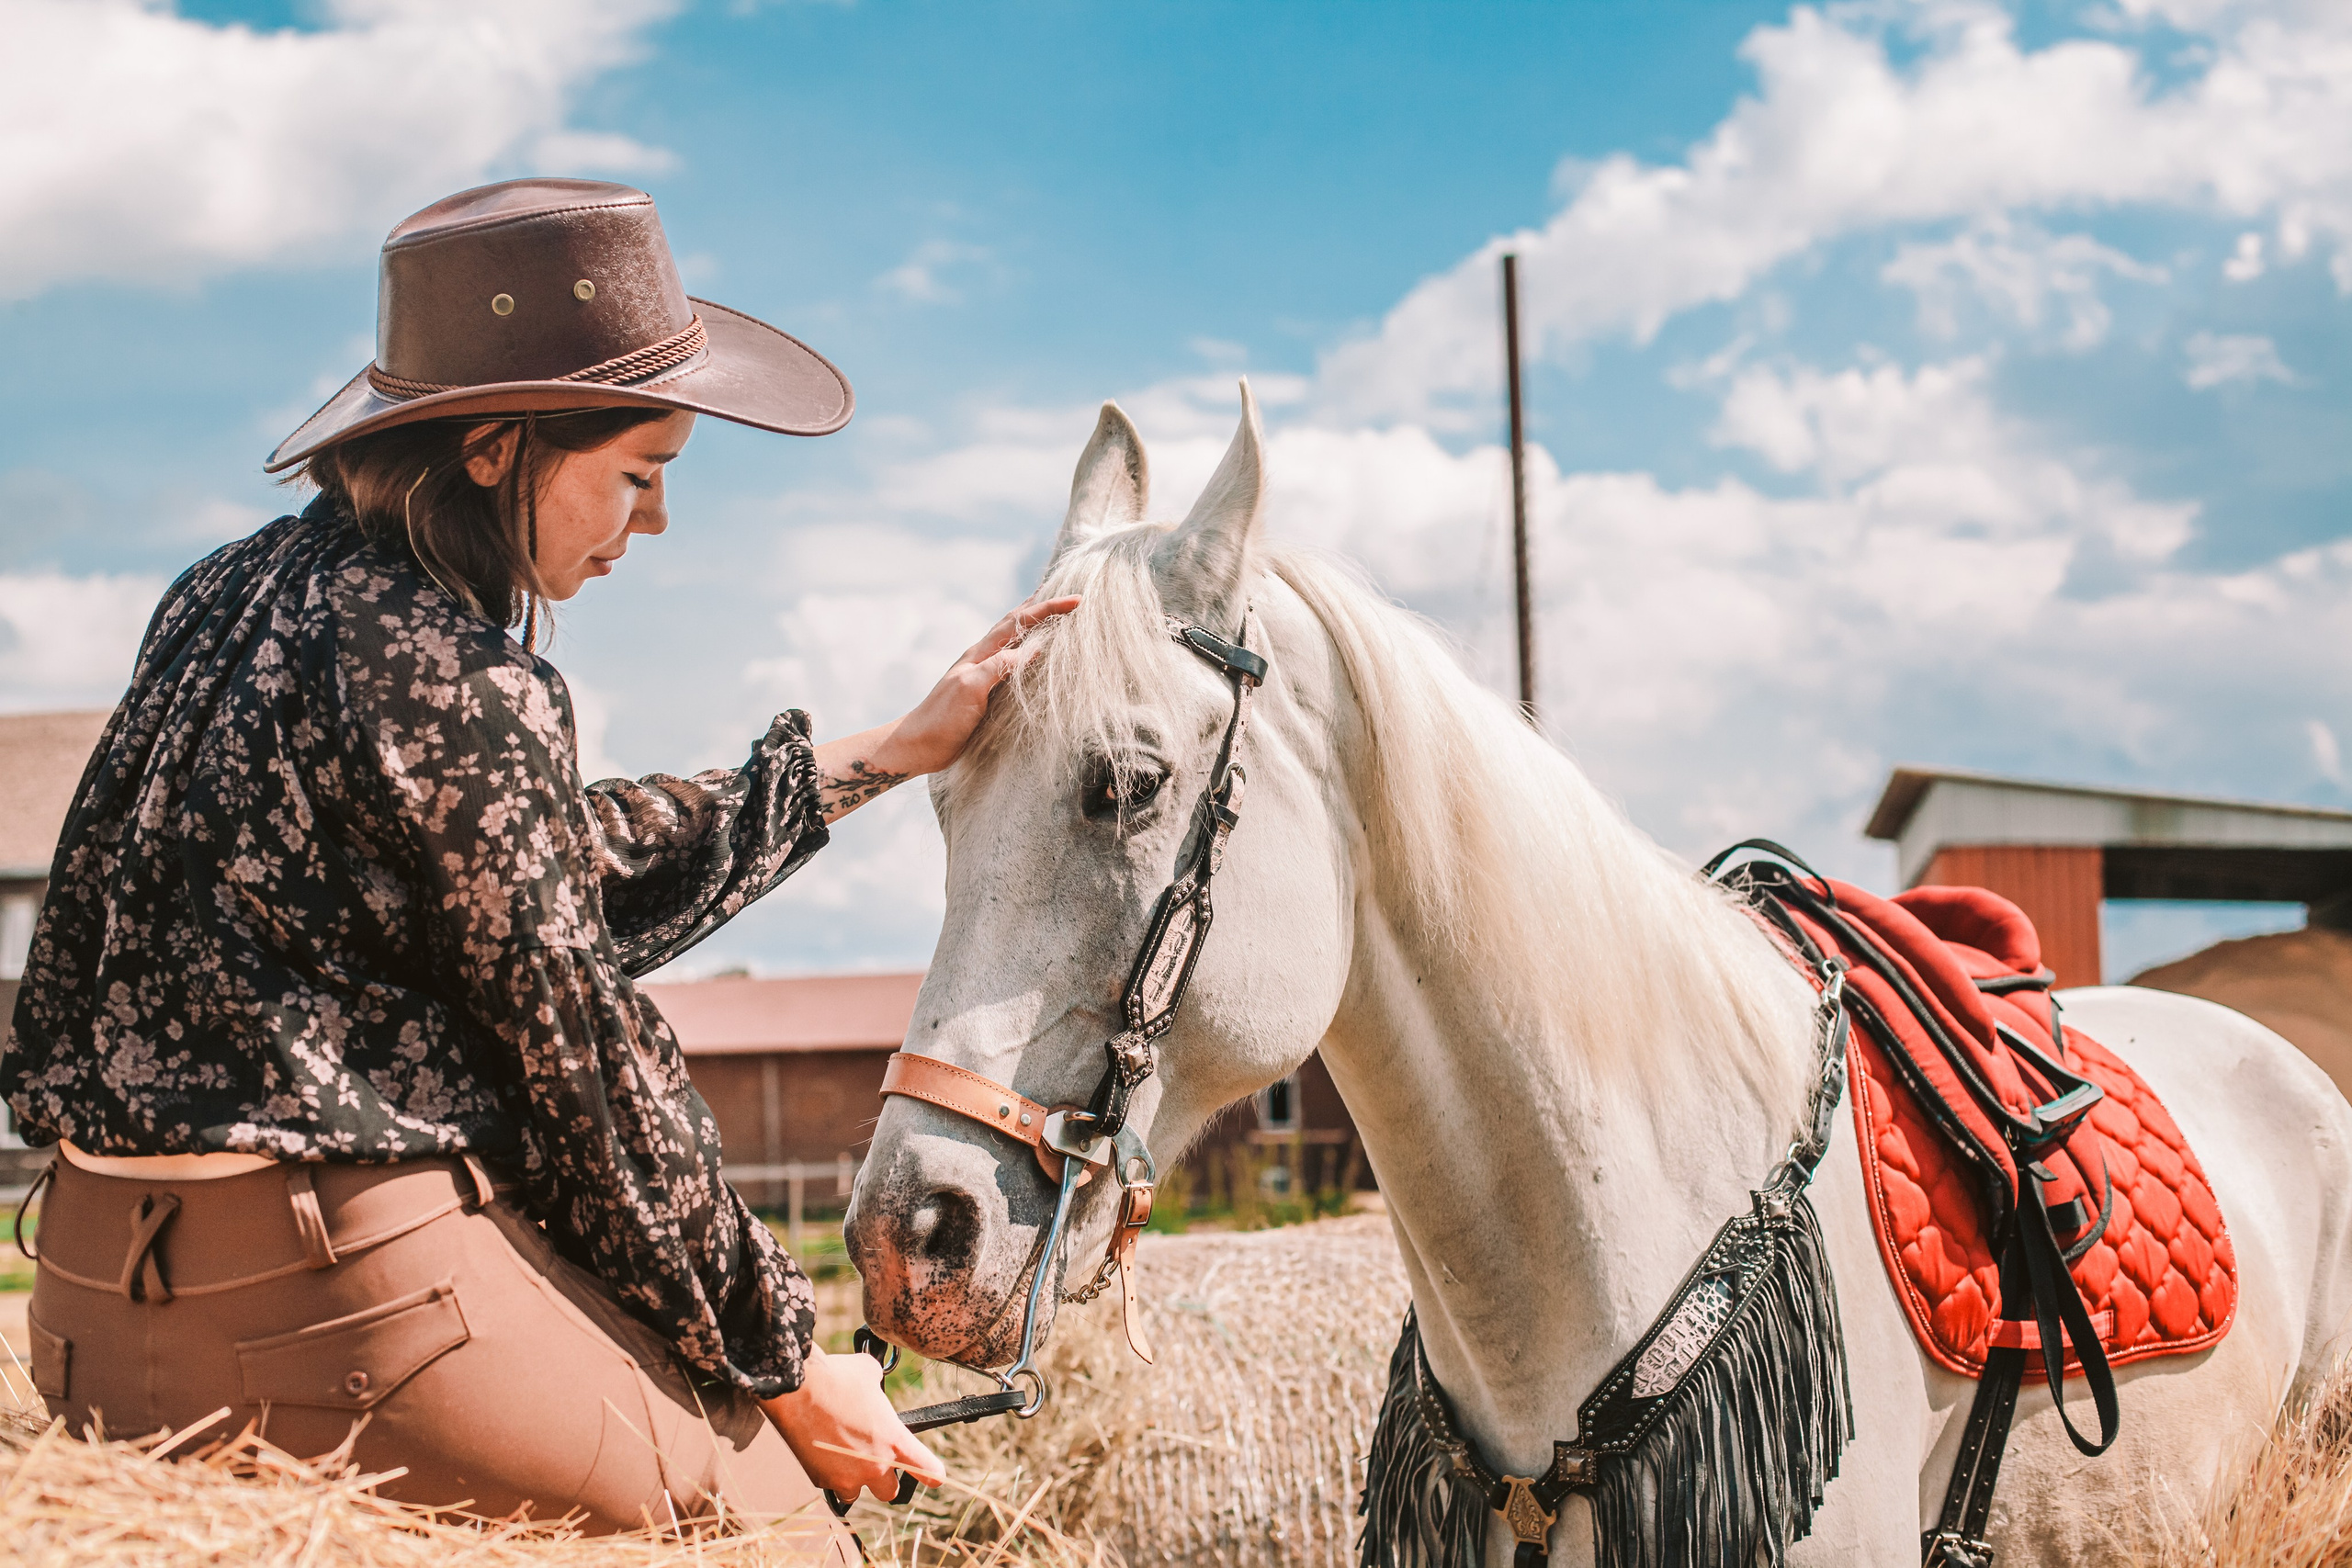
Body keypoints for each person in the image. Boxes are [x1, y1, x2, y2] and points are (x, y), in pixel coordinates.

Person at [0, 179, 1069, 1545]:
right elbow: (593, 1081)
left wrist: (894, 749)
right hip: (319, 1308)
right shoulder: (465, 682)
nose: (659, 521)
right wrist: (791, 1370)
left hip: (87, 1292)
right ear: (499, 447)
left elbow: (557, 870)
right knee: (785, 1534)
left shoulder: (224, 595)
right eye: (641, 471)